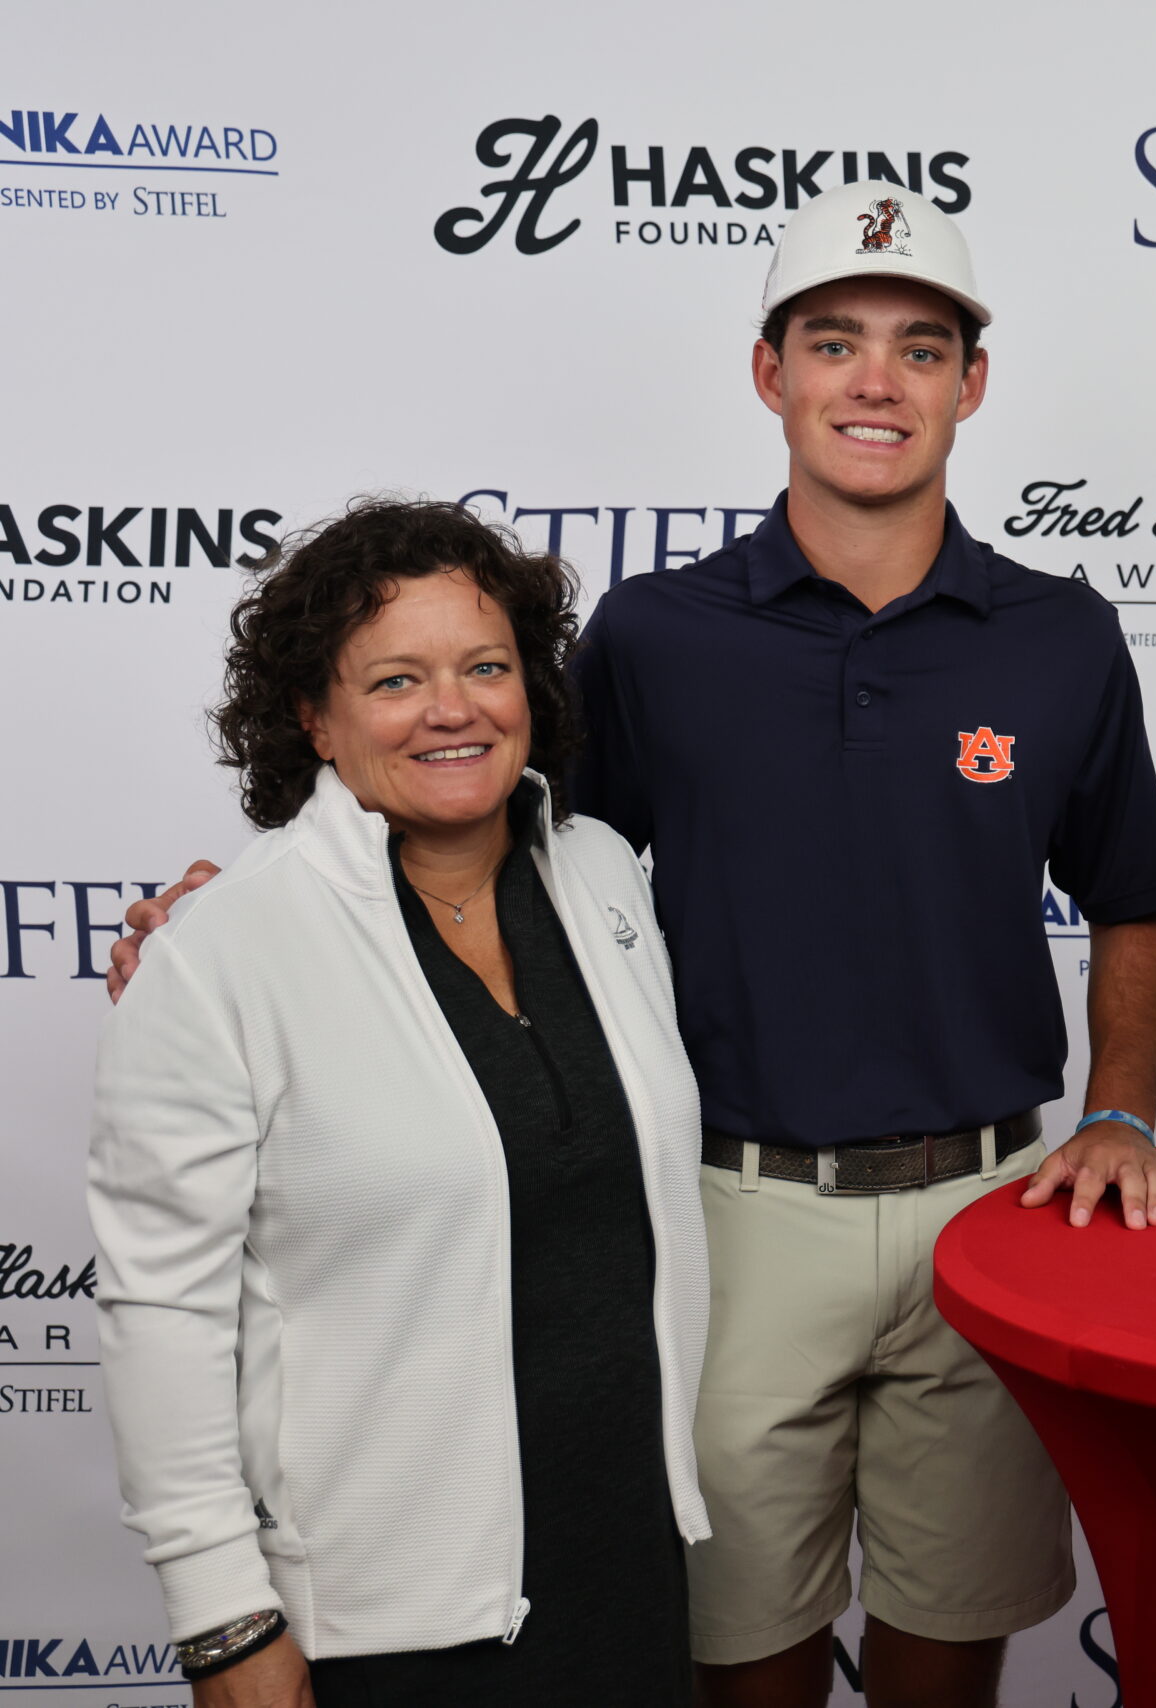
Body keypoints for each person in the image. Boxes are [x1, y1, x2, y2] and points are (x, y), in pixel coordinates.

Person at [113, 180, 1156, 1708]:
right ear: (773, 375)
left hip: (989, 1201)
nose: (874, 381)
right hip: (732, 1214)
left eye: (919, 348)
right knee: (734, 1654)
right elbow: (501, 842)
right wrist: (255, 899)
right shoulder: (655, 635)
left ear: (972, 382)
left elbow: (1138, 900)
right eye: (834, 342)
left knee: (950, 1650)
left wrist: (1124, 1112)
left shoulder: (1063, 633)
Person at [89, 502, 709, 1707]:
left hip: (626, 1562)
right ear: (313, 716)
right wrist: (221, 1618)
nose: (453, 707)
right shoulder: (225, 948)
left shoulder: (597, 872)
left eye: (486, 666)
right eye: (395, 679)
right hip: (392, 1612)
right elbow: (161, 1303)